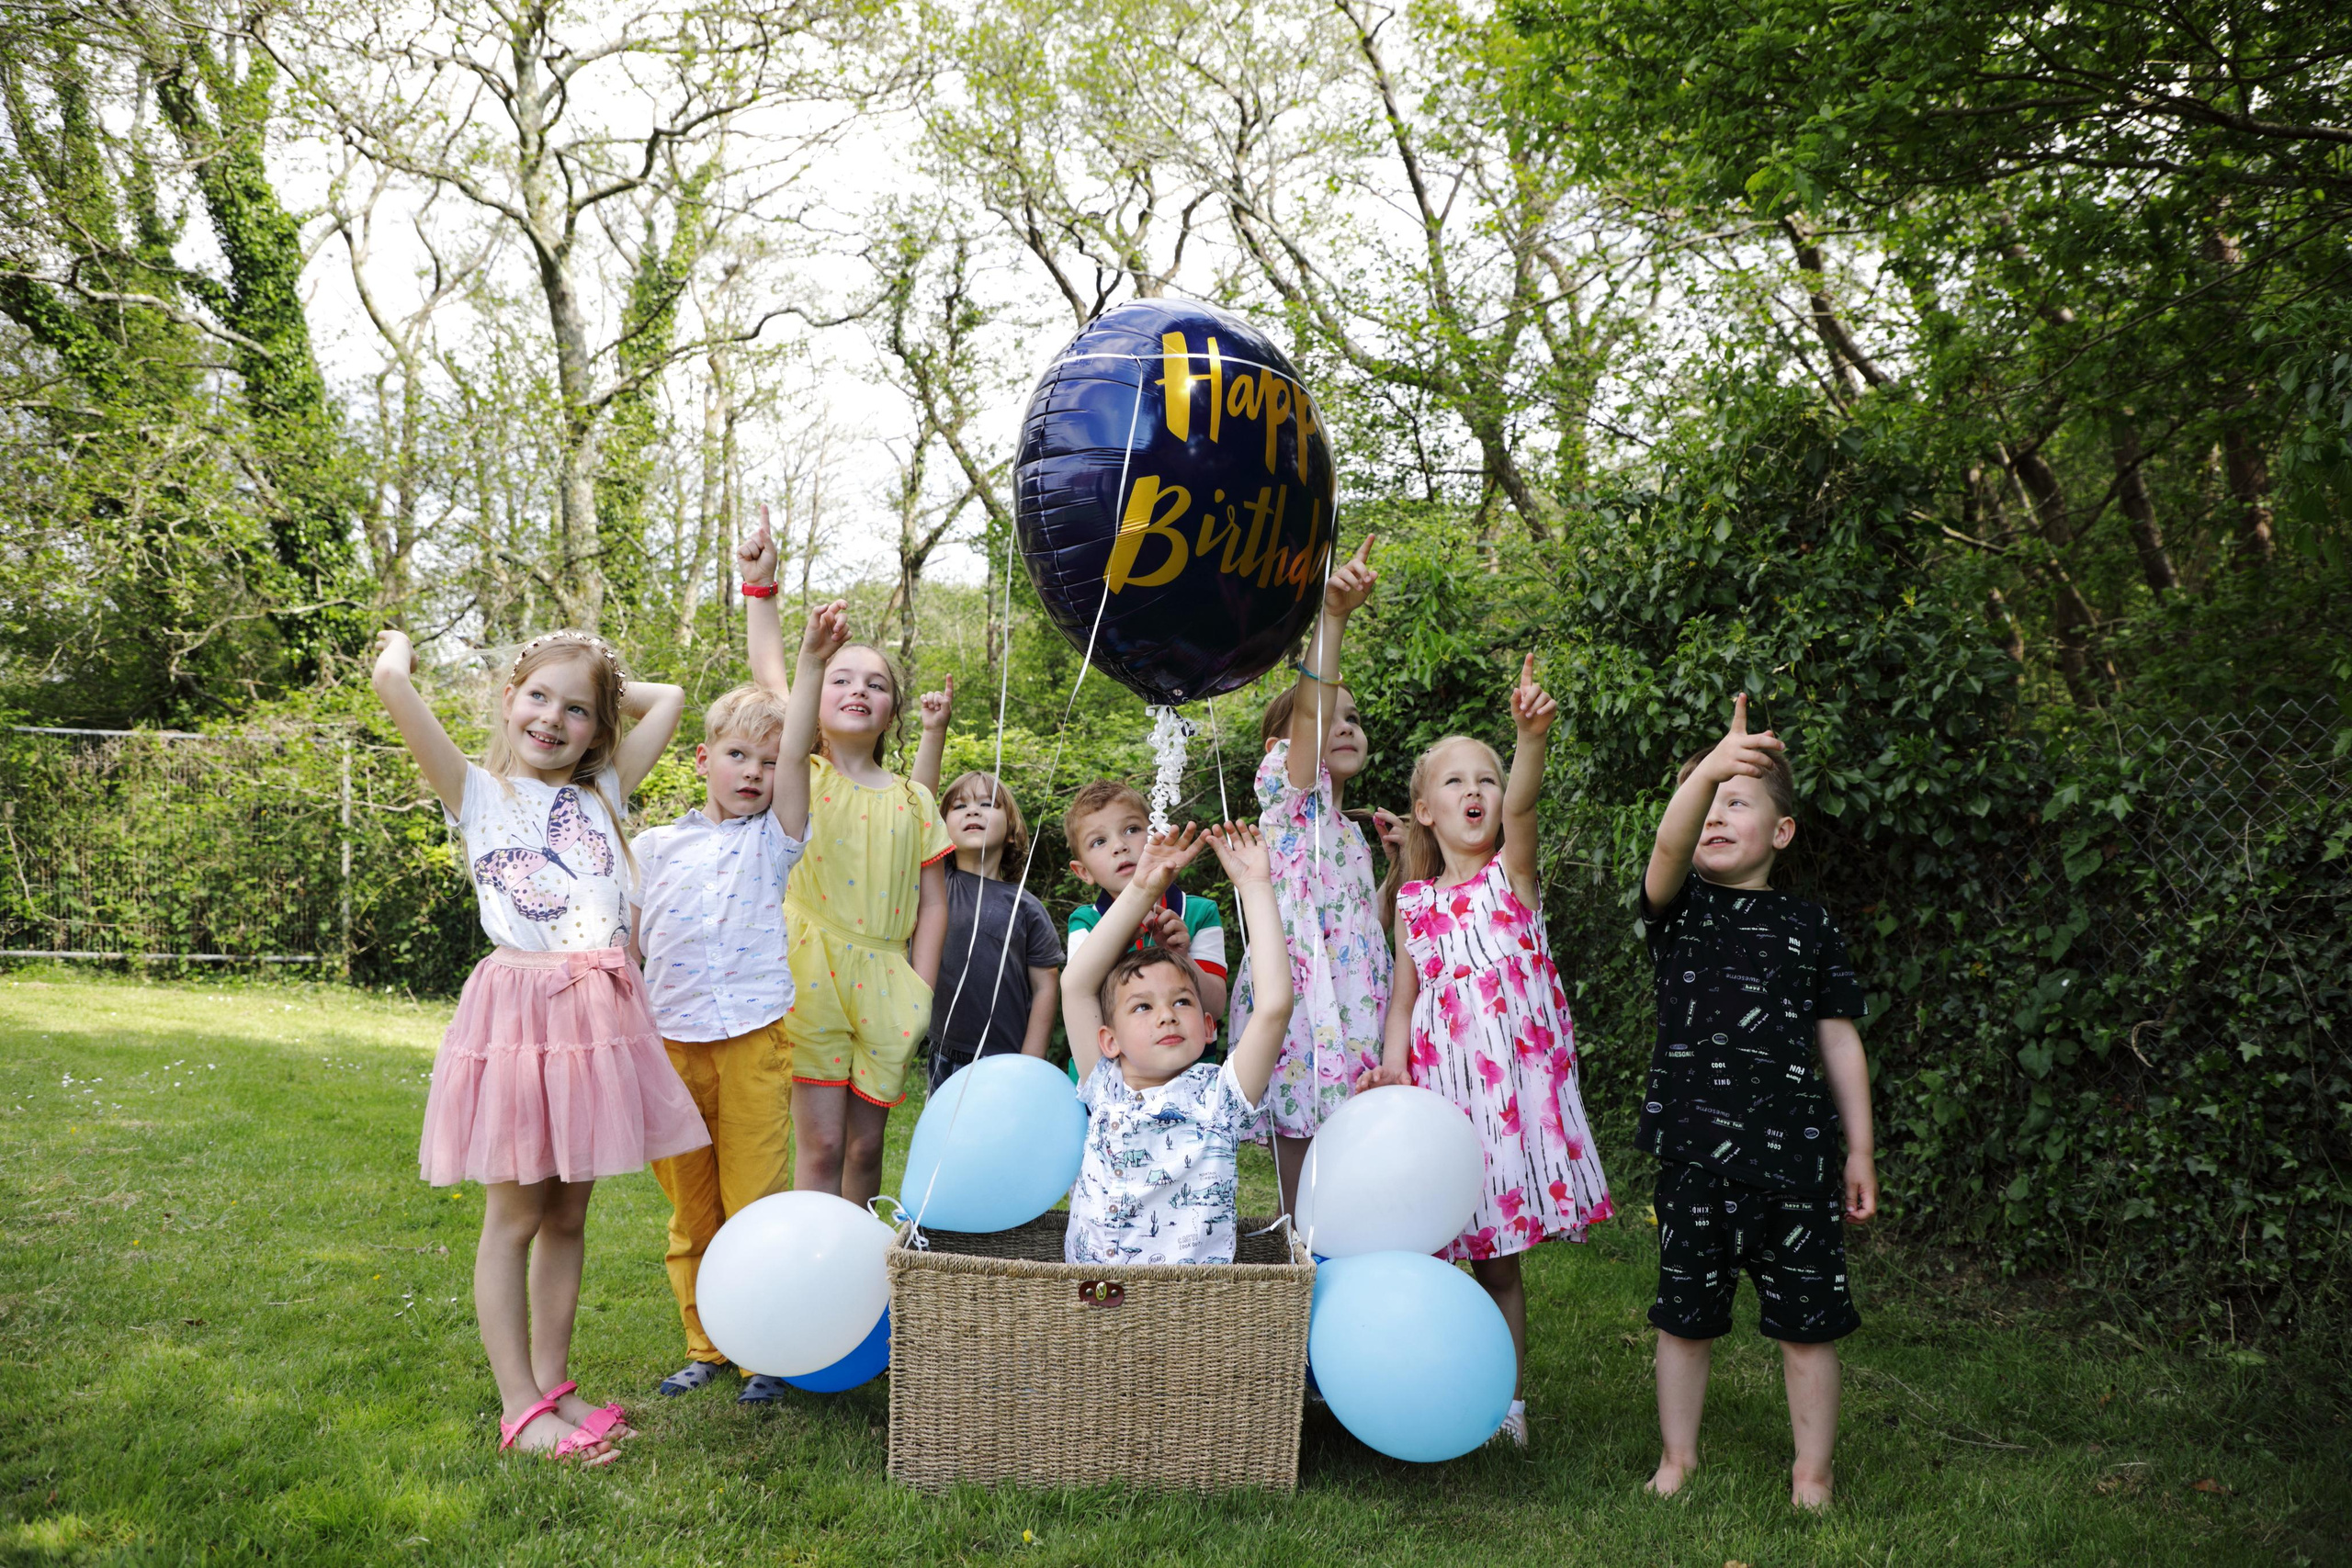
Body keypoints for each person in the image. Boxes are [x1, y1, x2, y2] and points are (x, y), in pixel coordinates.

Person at [372, 625, 700, 1464]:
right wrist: (401, 646)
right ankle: (519, 1407)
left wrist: (602, 678)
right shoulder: (475, 790)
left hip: (595, 1024)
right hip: (523, 1022)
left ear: (600, 730)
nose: (553, 719)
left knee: (567, 1215)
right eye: (539, 697)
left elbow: (668, 699)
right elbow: (391, 685)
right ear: (509, 699)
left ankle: (553, 1384)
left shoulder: (604, 790)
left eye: (577, 710)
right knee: (516, 1216)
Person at [1359, 654, 1614, 1449]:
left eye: (1488, 779)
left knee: (1498, 1265)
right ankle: (1429, 1389)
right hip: (1441, 1104)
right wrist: (1393, 1066)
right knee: (1433, 1255)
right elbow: (1403, 1001)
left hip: (1507, 1109)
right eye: (1455, 781)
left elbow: (1527, 804)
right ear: (1424, 810)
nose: (1476, 791)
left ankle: (1506, 1404)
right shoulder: (1413, 903)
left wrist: (1530, 740)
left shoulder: (1513, 878)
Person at [1635, 694, 1875, 1510]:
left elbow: (1839, 1039)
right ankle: (1678, 1458)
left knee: (1810, 1325)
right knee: (1685, 1318)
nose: (1713, 813)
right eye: (1705, 798)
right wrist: (1710, 768)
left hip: (1796, 1161)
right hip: (1695, 1156)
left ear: (1782, 831)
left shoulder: (1811, 927)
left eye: (1735, 800)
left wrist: (1859, 1148)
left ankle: (1813, 1473)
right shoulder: (1678, 909)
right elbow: (1668, 844)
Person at [745, 528, 953, 1209]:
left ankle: (862, 1258)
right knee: (824, 1145)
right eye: (842, 678)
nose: (858, 689)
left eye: (876, 683)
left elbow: (934, 901)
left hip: (889, 978)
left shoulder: (914, 799)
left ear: (891, 711)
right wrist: (761, 590)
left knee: (865, 1148)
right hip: (810, 969)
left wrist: (920, 985)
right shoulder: (802, 772)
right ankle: (812, 1261)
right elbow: (774, 681)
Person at [632, 669, 809, 1404]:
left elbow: (797, 751)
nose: (754, 772)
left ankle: (762, 1350)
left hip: (752, 1042)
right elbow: (626, 951)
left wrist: (811, 658)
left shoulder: (773, 841)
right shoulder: (650, 848)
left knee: (754, 1204)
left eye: (769, 762)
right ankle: (704, 1344)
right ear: (704, 759)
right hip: (671, 1050)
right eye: (738, 755)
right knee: (693, 1209)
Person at [1228, 534, 1402, 1218]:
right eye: (1334, 716)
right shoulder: (1291, 802)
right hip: (1300, 1002)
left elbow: (1364, 927)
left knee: (1358, 1153)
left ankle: (1350, 1248)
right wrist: (1333, 618)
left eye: (1355, 718)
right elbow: (1310, 707)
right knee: (1302, 1160)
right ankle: (1296, 1254)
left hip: (1355, 1001)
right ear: (1284, 747)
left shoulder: (1350, 831)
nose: (1346, 726)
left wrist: (1395, 872)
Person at [1062, 821, 1294, 1266]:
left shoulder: (1221, 1097)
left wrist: (1255, 887)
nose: (1166, 1014)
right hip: (1091, 1295)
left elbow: (1274, 1007)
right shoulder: (1103, 1085)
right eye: (1142, 1007)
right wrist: (1143, 889)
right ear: (1109, 1040)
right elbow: (1075, 985)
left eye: (1182, 1001)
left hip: (1190, 1301)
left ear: (1208, 1027)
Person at [1062, 779, 1228, 1069]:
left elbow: (1214, 1008)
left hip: (1191, 1079)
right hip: (1114, 1079)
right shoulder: (1086, 923)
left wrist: (1182, 956)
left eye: (1131, 829)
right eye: (1099, 841)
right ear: (1083, 871)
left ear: (1156, 834)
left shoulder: (1199, 912)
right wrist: (1119, 943)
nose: (1119, 846)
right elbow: (1082, 1001)